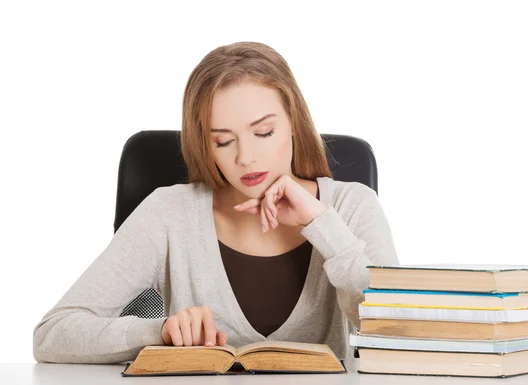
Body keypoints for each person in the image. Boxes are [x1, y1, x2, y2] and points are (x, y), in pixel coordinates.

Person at [33, 42, 399, 364]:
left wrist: (322, 225)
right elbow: (53, 334)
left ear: (293, 123)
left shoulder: (352, 207)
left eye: (263, 132)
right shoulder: (169, 213)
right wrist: (160, 334)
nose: (246, 158)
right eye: (223, 141)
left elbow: (397, 331)